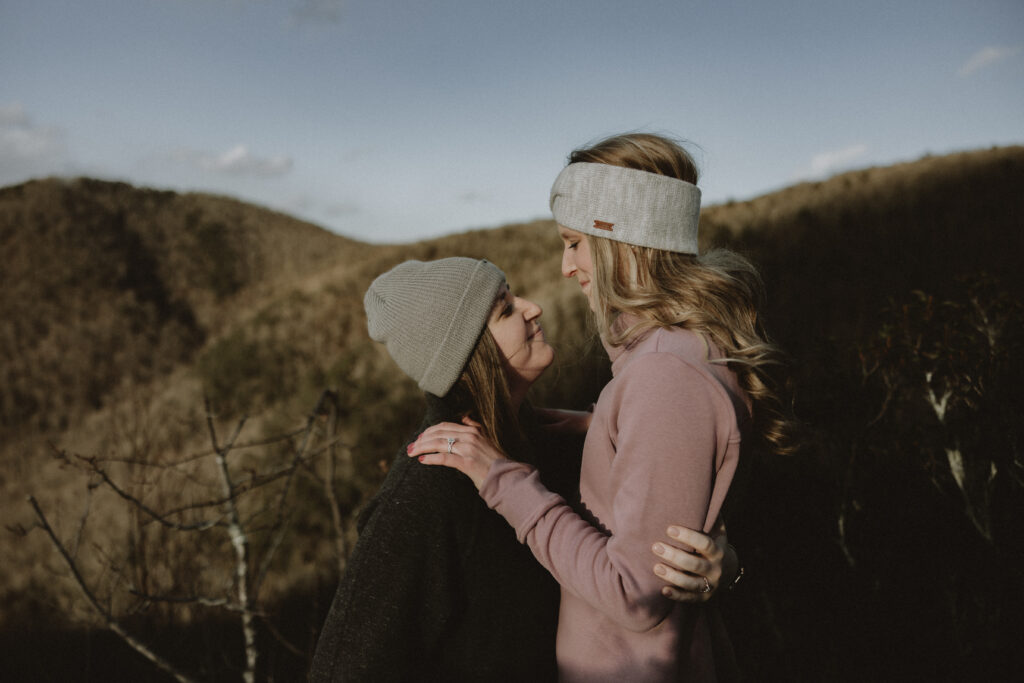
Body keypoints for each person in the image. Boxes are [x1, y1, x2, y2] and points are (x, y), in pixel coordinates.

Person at [410, 133, 791, 682]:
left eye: (574, 242)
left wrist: (502, 480)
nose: (566, 266)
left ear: (625, 241)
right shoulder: (676, 355)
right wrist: (600, 427)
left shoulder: (665, 375)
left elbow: (632, 594)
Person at [309, 257, 733, 683]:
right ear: (468, 353)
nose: (533, 308)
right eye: (506, 310)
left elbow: (631, 566)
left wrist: (723, 569)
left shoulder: (549, 448)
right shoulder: (428, 488)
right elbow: (342, 667)